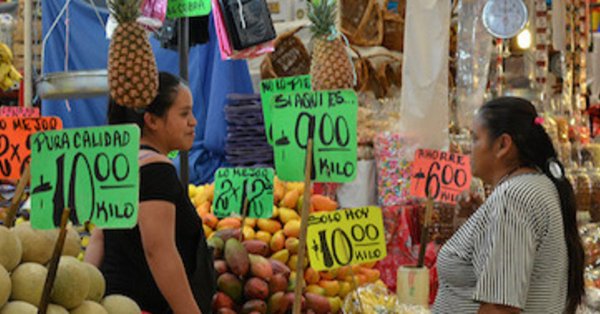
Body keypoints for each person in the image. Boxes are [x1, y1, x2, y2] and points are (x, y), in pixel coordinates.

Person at [433, 97, 584, 313]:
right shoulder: (537, 184)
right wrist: (480, 224)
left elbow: (500, 307)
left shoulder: (513, 198)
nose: (469, 150)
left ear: (503, 145)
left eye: (475, 138)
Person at [85, 72, 216, 314]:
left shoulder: (121, 164)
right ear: (152, 121)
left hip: (114, 304)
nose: (194, 122)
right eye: (184, 113)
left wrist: (84, 296)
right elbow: (159, 250)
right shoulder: (156, 169)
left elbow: (100, 239)